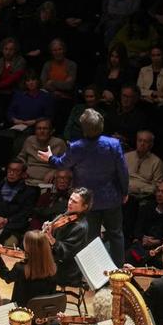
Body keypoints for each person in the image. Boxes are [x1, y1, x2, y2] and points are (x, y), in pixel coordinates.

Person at [39, 109, 128, 266]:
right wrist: (125, 191)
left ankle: (94, 271)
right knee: (116, 234)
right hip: (111, 197)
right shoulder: (113, 144)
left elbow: (62, 164)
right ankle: (118, 270)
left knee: (92, 238)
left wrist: (50, 158)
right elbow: (123, 171)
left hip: (87, 201)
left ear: (83, 128)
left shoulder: (76, 147)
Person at [0, 160, 38, 244]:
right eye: (9, 169)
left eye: (16, 171)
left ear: (23, 174)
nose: (11, 173)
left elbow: (24, 213)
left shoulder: (29, 192)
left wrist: (6, 220)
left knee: (7, 243)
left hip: (12, 226)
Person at [126, 181, 163, 266]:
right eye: (158, 191)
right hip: (142, 243)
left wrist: (158, 241)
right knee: (129, 256)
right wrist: (142, 237)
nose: (159, 194)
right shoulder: (148, 206)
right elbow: (137, 227)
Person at [0, 230, 57, 307]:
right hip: (41, 309)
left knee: (2, 301)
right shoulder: (53, 268)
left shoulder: (20, 269)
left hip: (20, 311)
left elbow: (6, 277)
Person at [44, 187, 92, 286]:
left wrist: (51, 238)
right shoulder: (67, 214)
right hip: (55, 260)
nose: (70, 203)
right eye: (70, 199)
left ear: (84, 207)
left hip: (66, 270)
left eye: (75, 202)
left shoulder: (81, 227)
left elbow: (66, 252)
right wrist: (49, 229)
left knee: (29, 270)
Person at [16, 118, 66, 186]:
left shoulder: (59, 143)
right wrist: (22, 169)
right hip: (27, 179)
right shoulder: (30, 140)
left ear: (51, 131)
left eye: (45, 128)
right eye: (39, 128)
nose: (42, 131)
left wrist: (55, 171)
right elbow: (21, 158)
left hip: (48, 182)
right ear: (35, 131)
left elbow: (66, 163)